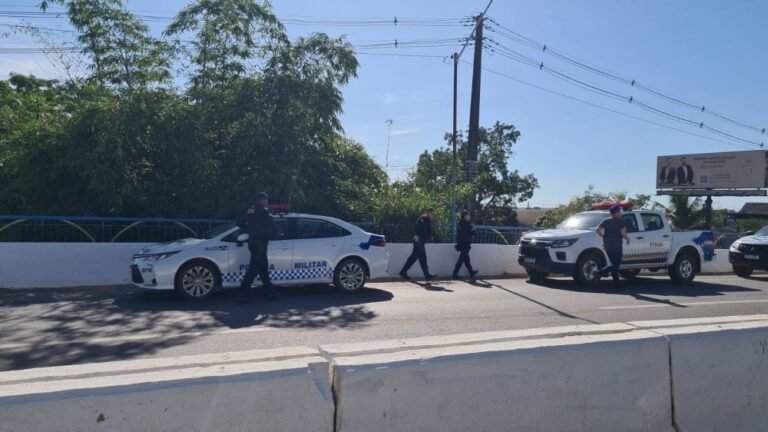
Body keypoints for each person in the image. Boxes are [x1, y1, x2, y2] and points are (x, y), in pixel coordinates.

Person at [236, 192, 279, 303]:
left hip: (252, 243)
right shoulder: (264, 212)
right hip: (261, 243)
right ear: (261, 200)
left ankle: (270, 292)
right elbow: (273, 227)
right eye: (266, 200)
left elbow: (240, 223)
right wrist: (273, 234)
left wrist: (249, 230)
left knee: (263, 268)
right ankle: (242, 295)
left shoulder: (250, 210)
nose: (267, 201)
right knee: (253, 270)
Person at [595, 205, 630, 288]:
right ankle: (599, 272)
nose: (620, 213)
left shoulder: (606, 221)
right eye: (619, 212)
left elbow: (597, 230)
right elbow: (623, 233)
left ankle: (617, 285)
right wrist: (628, 239)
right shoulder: (621, 222)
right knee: (616, 265)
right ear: (616, 213)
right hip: (617, 247)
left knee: (613, 264)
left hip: (607, 247)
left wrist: (604, 236)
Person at [399, 208, 437, 281]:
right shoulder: (423, 219)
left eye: (434, 214)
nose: (433, 215)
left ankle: (403, 271)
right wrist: (417, 236)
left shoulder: (426, 220)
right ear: (428, 213)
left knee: (413, 258)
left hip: (420, 242)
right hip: (419, 242)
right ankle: (427, 275)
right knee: (423, 259)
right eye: (432, 214)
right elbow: (417, 228)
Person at [452, 211, 479, 280]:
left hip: (462, 243)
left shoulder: (461, 223)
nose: (469, 216)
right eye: (468, 215)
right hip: (465, 244)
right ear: (465, 216)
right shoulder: (466, 224)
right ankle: (455, 274)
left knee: (466, 259)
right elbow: (467, 234)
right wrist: (473, 232)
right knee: (461, 260)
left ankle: (471, 272)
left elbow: (462, 234)